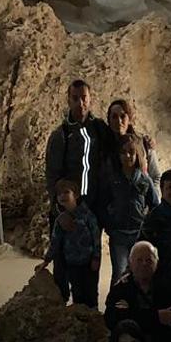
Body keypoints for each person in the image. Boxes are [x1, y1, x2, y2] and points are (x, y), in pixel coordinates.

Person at [45, 79, 108, 230]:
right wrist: (60, 212)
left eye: (84, 97)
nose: (80, 103)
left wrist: (141, 140)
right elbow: (52, 176)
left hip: (94, 207)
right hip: (70, 208)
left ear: (90, 98)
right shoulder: (61, 135)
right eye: (75, 98)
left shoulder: (100, 129)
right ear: (68, 100)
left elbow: (119, 143)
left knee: (93, 252)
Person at [101, 132, 160, 284]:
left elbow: (154, 204)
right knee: (119, 273)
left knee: (139, 273)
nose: (127, 156)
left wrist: (148, 226)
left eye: (131, 152)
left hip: (138, 234)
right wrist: (110, 225)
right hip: (118, 235)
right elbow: (103, 203)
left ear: (138, 154)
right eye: (123, 152)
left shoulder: (144, 179)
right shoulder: (113, 179)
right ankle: (116, 306)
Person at [38, 179, 102, 308]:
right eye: (59, 194)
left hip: (89, 262)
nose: (62, 196)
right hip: (72, 263)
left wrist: (96, 257)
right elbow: (55, 242)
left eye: (66, 192)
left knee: (91, 293)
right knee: (77, 294)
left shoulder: (87, 216)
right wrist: (46, 260)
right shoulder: (60, 221)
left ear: (76, 195)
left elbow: (96, 238)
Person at [105, 98, 161, 183]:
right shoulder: (104, 144)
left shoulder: (143, 143)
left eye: (123, 116)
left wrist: (150, 193)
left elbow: (155, 176)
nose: (119, 121)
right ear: (109, 120)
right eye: (114, 117)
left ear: (129, 119)